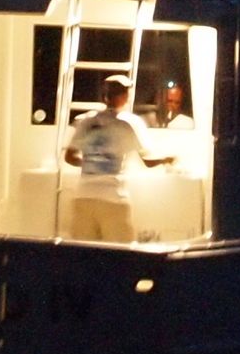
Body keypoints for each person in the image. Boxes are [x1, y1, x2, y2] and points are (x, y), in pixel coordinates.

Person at [63, 75, 174, 242]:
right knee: (121, 257)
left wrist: (93, 163)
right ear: (124, 97)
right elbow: (148, 162)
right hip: (113, 200)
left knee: (84, 257)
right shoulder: (127, 124)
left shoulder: (86, 122)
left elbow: (69, 157)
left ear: (104, 96)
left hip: (83, 198)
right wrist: (167, 159)